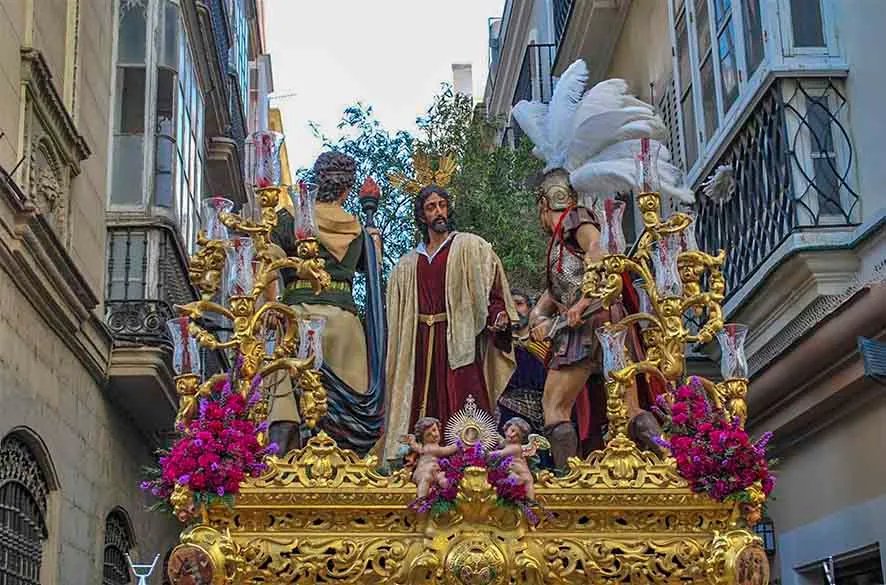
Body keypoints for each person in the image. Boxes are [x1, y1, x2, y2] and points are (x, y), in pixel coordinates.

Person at [382, 185, 518, 461]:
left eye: (442, 205)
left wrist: (498, 316)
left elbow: (491, 288)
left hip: (458, 339)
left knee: (464, 399)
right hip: (418, 344)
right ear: (422, 216)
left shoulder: (470, 246)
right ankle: (414, 461)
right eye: (431, 207)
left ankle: (472, 461)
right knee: (419, 401)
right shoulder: (407, 264)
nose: (438, 212)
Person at [266, 151, 386, 455]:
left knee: (290, 398)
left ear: (317, 182)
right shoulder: (359, 229)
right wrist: (374, 245)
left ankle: (289, 462)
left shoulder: (290, 218)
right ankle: (345, 472)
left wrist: (268, 308)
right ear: (346, 190)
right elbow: (372, 271)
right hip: (345, 326)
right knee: (347, 410)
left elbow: (266, 262)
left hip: (297, 319)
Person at [494, 290, 548, 437]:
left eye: (519, 304)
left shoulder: (543, 342)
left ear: (530, 309)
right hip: (504, 411)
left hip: (539, 413)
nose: (514, 309)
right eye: (509, 305)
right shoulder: (496, 345)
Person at [402, 417, 458, 498]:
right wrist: (457, 445)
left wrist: (412, 442)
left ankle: (439, 490)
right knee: (426, 479)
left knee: (442, 476)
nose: (434, 434)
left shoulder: (423, 448)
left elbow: (416, 447)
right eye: (428, 434)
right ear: (423, 438)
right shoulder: (430, 448)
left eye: (435, 430)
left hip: (433, 472)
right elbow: (446, 450)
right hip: (423, 472)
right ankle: (421, 499)